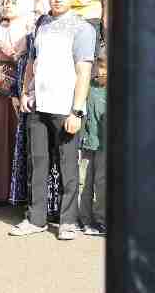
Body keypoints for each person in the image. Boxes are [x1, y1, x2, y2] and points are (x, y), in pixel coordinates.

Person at [10, 0, 95, 241]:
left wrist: (77, 111)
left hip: (66, 108)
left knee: (68, 166)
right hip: (39, 106)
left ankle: (68, 222)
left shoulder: (83, 29)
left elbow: (84, 72)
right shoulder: (42, 23)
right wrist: (25, 91)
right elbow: (33, 60)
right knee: (38, 164)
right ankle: (35, 219)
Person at [0, 0, 35, 203]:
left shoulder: (31, 30)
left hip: (23, 89)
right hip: (0, 89)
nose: (8, 5)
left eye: (13, 2)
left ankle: (21, 194)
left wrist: (13, 53)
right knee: (0, 136)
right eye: (6, 1)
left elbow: (28, 60)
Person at [79, 46, 107, 237]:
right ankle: (84, 219)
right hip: (87, 142)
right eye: (98, 66)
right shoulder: (89, 86)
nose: (100, 71)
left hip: (105, 145)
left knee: (102, 183)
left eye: (104, 67)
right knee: (84, 182)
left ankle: (101, 220)